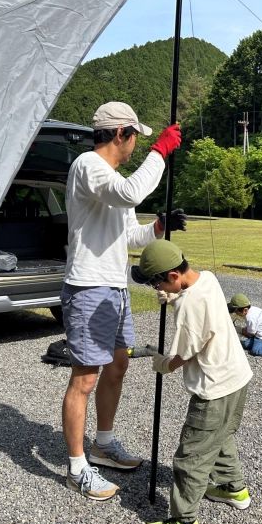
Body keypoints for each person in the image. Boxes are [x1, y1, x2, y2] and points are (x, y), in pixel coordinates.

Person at [61, 101, 184, 501]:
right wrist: (160, 152)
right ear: (121, 133)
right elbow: (132, 189)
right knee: (84, 378)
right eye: (136, 138)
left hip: (114, 288)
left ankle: (104, 444)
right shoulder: (88, 165)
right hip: (88, 287)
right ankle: (77, 466)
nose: (136, 145)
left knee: (116, 366)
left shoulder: (112, 181)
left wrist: (160, 227)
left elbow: (132, 237)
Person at [131, 240, 253, 524]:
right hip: (238, 378)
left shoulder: (187, 306)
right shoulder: (208, 278)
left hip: (214, 389)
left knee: (191, 456)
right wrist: (171, 298)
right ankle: (233, 488)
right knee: (221, 436)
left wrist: (160, 363)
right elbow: (196, 303)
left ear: (173, 276)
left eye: (155, 282)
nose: (153, 287)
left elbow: (181, 357)